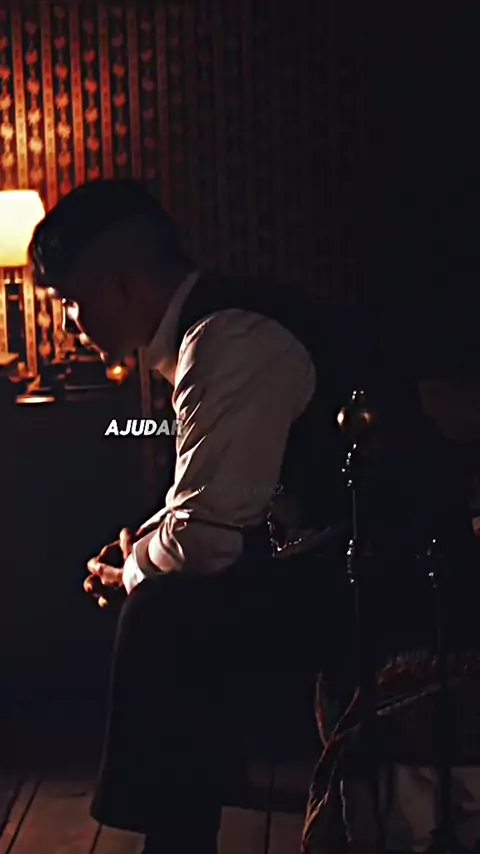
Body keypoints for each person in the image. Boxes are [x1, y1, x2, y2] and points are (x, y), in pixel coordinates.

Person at [29, 179, 354, 854]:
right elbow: (207, 503)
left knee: (163, 614)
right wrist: (143, 549)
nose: (70, 324)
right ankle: (178, 827)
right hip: (328, 555)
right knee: (163, 597)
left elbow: (206, 541)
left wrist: (132, 572)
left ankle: (173, 839)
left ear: (120, 284)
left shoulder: (228, 340)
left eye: (72, 302)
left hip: (371, 573)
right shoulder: (208, 336)